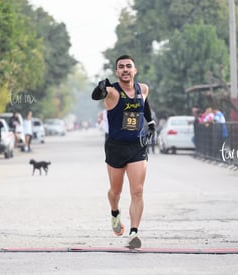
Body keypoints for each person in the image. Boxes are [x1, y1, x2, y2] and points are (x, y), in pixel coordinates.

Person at [91, 54, 155, 249]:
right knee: (115, 191)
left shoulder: (142, 89)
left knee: (138, 190)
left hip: (136, 146)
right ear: (117, 72)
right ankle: (114, 212)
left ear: (134, 70)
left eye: (129, 66)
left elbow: (145, 105)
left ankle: (133, 233)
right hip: (115, 148)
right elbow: (96, 96)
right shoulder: (112, 92)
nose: (125, 69)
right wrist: (100, 88)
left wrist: (150, 122)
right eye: (121, 67)